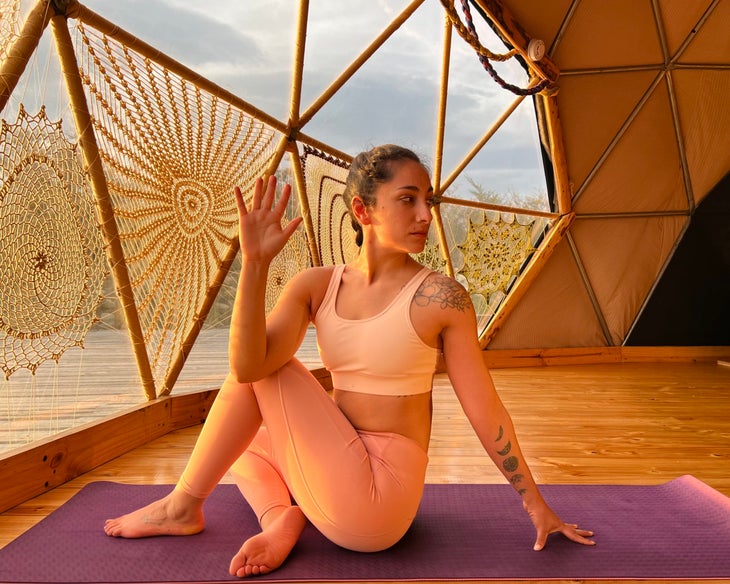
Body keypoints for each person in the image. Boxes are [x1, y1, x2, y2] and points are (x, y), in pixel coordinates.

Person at [104, 144, 595, 577]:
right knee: (246, 447)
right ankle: (281, 517)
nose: (426, 214)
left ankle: (183, 506)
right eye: (409, 199)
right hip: (338, 464)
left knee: (266, 373)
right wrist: (253, 265)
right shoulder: (317, 286)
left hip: (379, 500)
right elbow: (245, 367)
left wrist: (535, 504)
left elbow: (484, 408)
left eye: (429, 200)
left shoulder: (441, 298)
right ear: (363, 209)